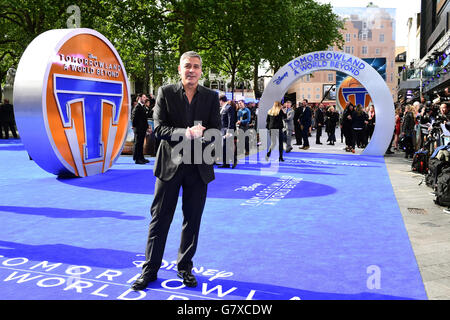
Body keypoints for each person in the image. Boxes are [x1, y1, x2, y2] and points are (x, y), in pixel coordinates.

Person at [131, 51, 221, 291]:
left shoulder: (212, 96)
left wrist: (206, 136)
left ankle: (185, 268)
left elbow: (216, 130)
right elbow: (159, 128)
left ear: (201, 71)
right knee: (159, 219)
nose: (191, 70)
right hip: (169, 165)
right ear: (179, 69)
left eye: (196, 66)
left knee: (192, 220)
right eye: (187, 66)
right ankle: (149, 270)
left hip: (199, 167)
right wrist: (185, 133)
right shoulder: (166, 92)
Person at [218, 95, 237, 168]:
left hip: (227, 130)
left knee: (227, 147)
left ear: (221, 100)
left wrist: (229, 131)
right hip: (222, 130)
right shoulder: (222, 108)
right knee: (224, 147)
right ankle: (226, 163)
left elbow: (231, 120)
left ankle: (233, 160)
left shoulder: (229, 108)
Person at [132, 93, 150, 164]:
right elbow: (133, 118)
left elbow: (144, 119)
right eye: (144, 97)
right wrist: (134, 127)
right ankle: (137, 159)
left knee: (141, 144)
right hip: (138, 129)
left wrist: (147, 127)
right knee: (138, 144)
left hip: (142, 129)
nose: (145, 98)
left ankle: (141, 157)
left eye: (145, 97)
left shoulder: (142, 107)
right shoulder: (137, 107)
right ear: (139, 98)